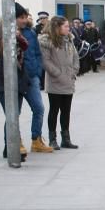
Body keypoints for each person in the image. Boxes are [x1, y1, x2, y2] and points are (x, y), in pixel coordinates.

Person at [0, 22, 30, 161]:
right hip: (4, 87)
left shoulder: (18, 43)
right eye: (13, 29)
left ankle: (9, 147)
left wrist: (20, 39)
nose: (17, 31)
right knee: (12, 116)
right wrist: (11, 78)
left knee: (14, 115)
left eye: (17, 29)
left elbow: (25, 48)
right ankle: (11, 147)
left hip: (19, 85)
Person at [16, 5, 54, 154]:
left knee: (39, 108)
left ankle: (36, 140)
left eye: (26, 17)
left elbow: (38, 53)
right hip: (16, 79)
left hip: (31, 77)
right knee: (14, 113)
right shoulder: (6, 33)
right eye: (21, 17)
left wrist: (37, 71)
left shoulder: (30, 33)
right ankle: (15, 141)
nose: (25, 20)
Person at [38, 16, 80, 150]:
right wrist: (58, 74)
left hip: (68, 80)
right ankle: (52, 139)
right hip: (55, 81)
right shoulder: (47, 41)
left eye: (69, 26)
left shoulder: (69, 40)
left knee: (66, 111)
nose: (69, 28)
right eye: (66, 26)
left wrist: (74, 71)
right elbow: (46, 61)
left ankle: (66, 138)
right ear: (57, 27)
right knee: (54, 110)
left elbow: (75, 57)